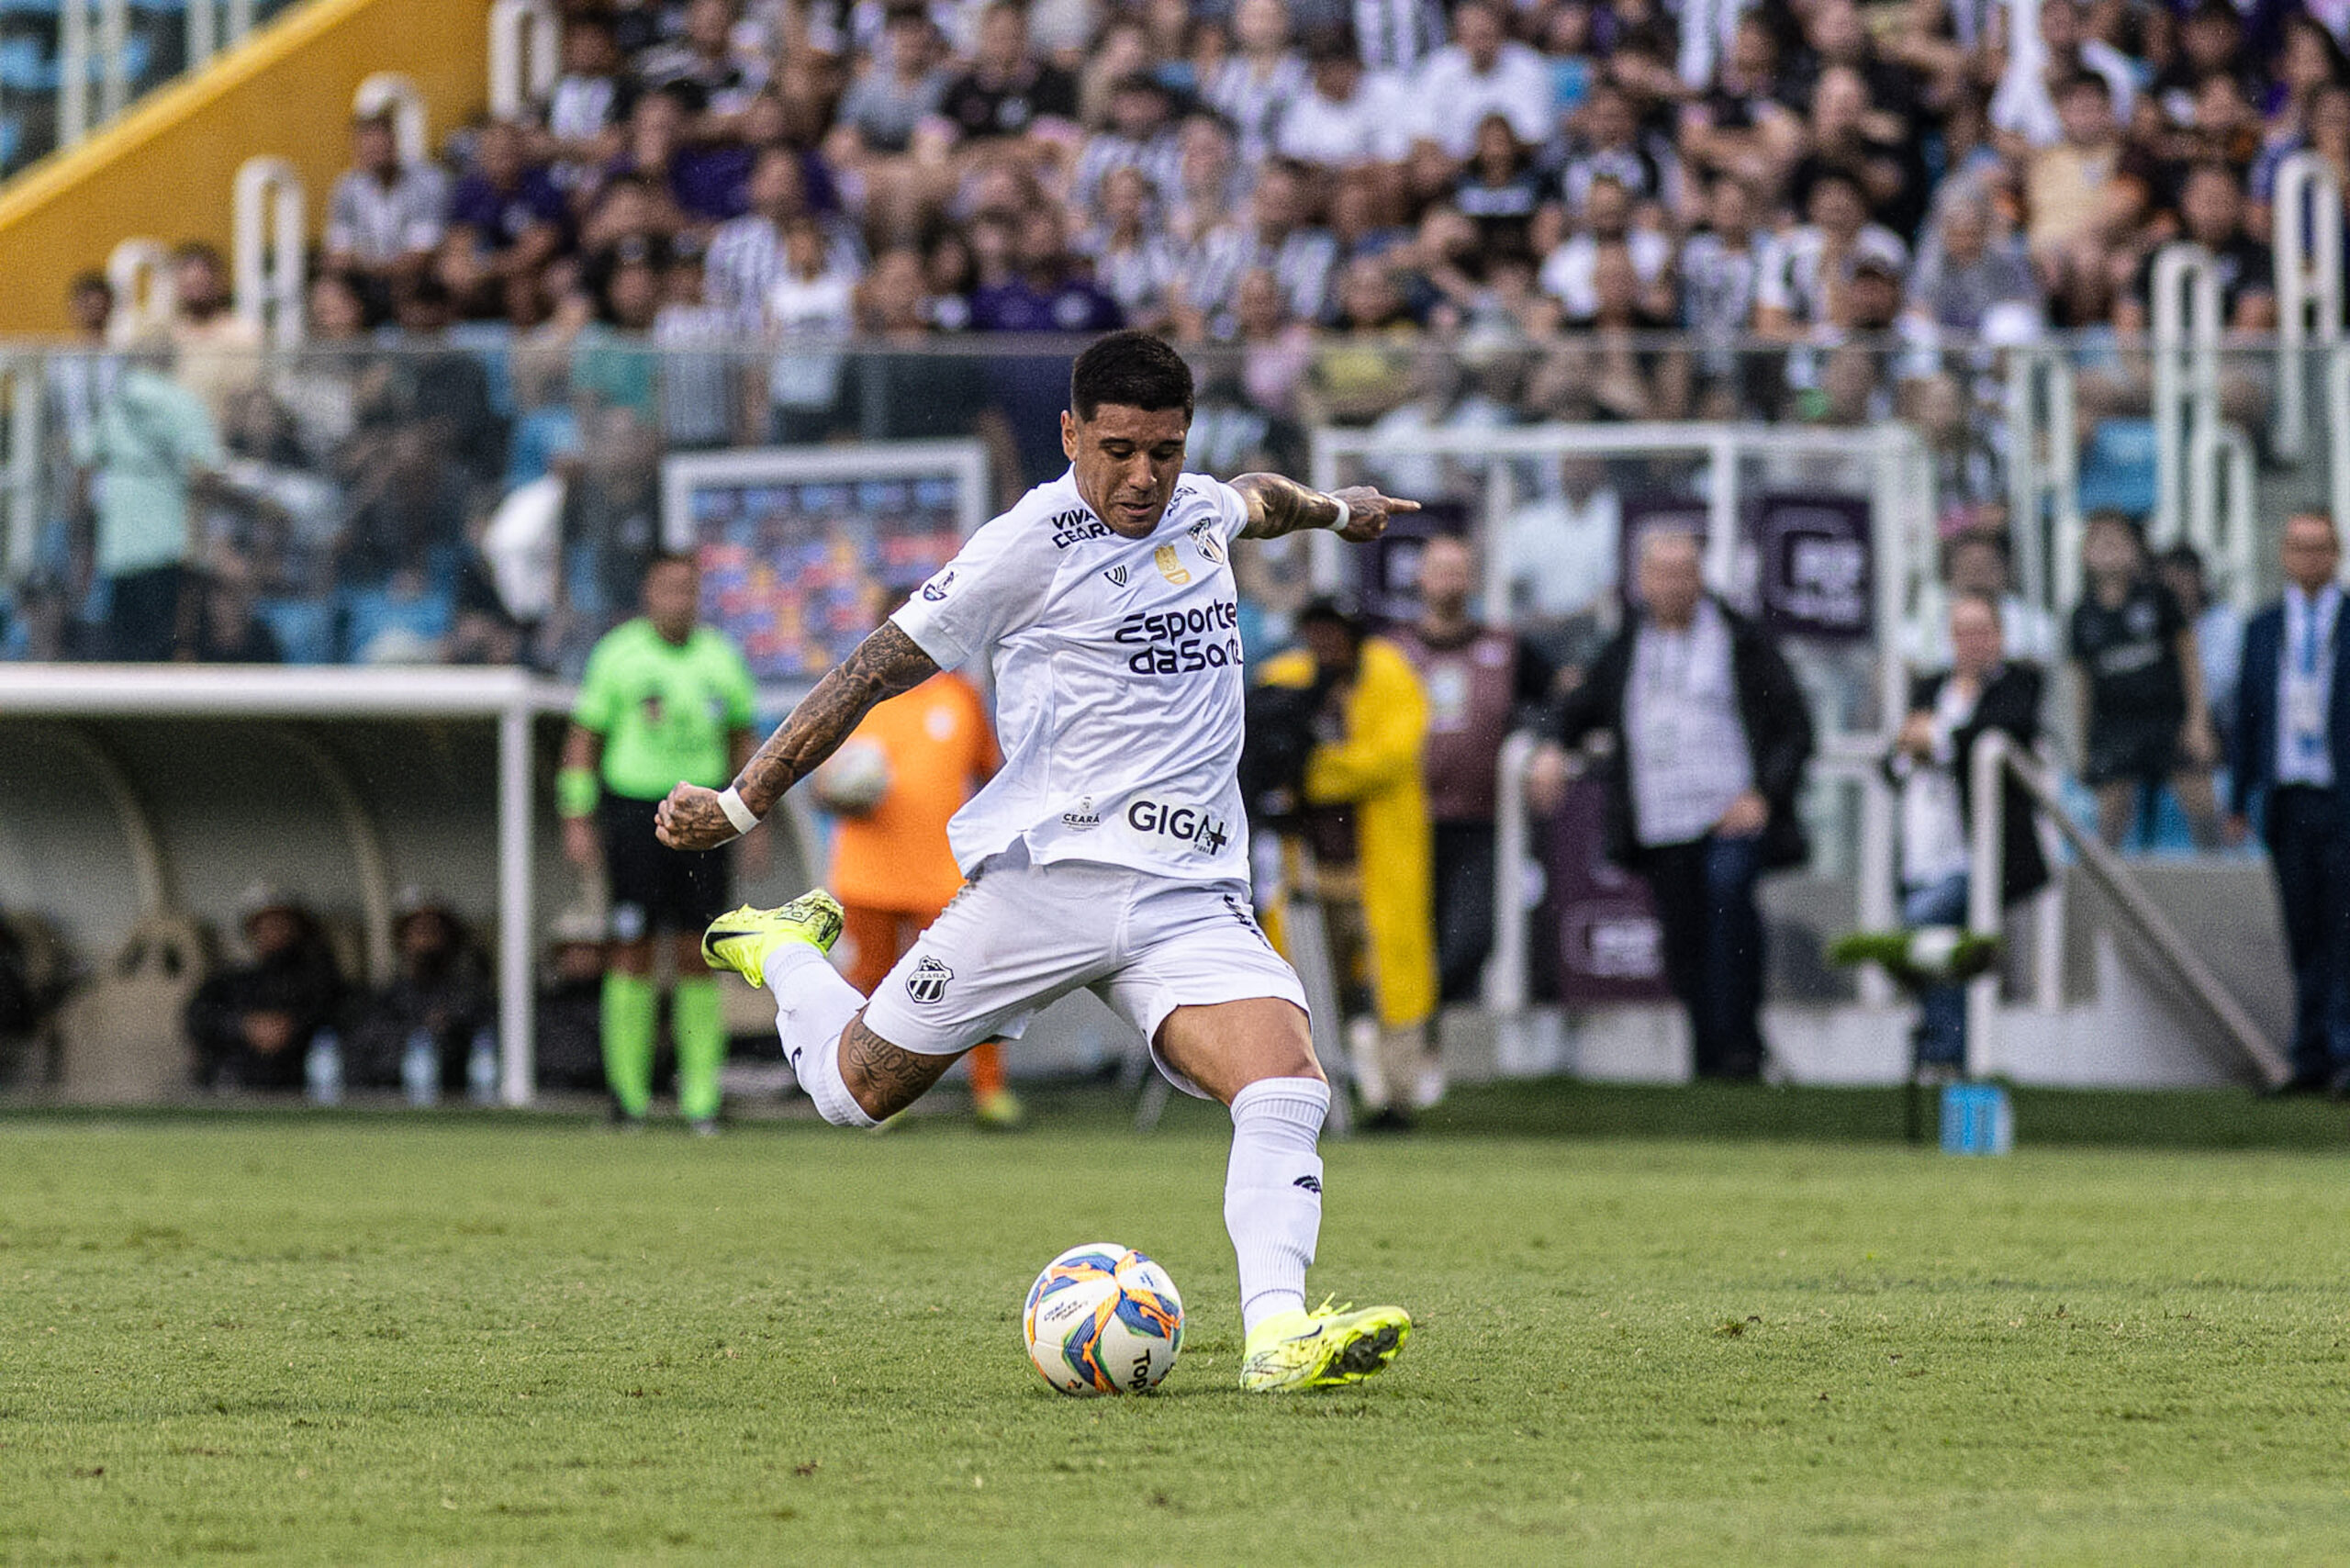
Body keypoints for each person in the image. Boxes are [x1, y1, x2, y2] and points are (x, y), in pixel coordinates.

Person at [657, 330, 1418, 1393]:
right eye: (1118, 449)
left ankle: (1277, 1336)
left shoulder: (1196, 507)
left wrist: (1343, 511)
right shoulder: (1025, 543)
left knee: (1286, 1083)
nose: (1143, 474)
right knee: (850, 1092)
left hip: (1188, 897)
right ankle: (784, 951)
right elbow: (872, 666)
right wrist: (742, 802)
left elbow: (1259, 495)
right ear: (1069, 434)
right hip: (1048, 882)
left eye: (1164, 447)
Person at [1535, 531, 1815, 1081]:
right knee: (1684, 933)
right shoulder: (1629, 643)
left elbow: (1795, 726)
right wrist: (1549, 746)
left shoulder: (1740, 638)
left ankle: (1739, 1051)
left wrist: (1764, 794)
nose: (1675, 583)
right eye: (1663, 572)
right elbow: (1581, 705)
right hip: (1661, 820)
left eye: (1686, 570)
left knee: (1729, 905)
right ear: (1642, 579)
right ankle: (1707, 1053)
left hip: (1729, 812)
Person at [561, 553, 761, 1133]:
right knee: (631, 949)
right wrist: (577, 817)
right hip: (633, 817)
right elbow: (584, 741)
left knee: (700, 953)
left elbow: (741, 743)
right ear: (649, 594)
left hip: (704, 821)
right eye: (668, 588)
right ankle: (629, 1099)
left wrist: (753, 821)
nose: (679, 598)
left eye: (688, 588)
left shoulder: (721, 659)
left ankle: (700, 1100)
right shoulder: (618, 654)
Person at [1258, 596, 1438, 1128]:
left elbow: (1388, 758)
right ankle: (1312, 1095)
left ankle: (1395, 1098)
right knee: (1312, 984)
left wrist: (1312, 774)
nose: (1326, 643)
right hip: (1308, 865)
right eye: (1316, 631)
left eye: (1335, 632)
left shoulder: (1389, 675)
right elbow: (1261, 749)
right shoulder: (1286, 677)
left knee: (1392, 982)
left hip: (1377, 860)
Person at [822, 657, 1018, 1126]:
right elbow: (821, 788)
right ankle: (868, 1095)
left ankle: (989, 1094)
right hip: (868, 874)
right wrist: (841, 792)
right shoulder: (860, 699)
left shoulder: (961, 696)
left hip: (943, 874)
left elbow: (994, 773)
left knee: (967, 984)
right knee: (867, 988)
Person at [1384, 533, 1559, 1011]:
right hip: (1403, 818)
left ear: (1474, 580)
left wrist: (1545, 746)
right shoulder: (1389, 651)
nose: (1450, 581)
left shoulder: (1506, 647)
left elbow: (1553, 700)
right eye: (1441, 570)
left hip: (1482, 819)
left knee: (1475, 931)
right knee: (1409, 932)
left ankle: (1425, 1014)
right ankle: (1417, 1033)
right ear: (1419, 578)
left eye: (1460, 571)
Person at [1883, 594, 2050, 1074]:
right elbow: (1892, 760)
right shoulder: (1930, 686)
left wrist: (1932, 739)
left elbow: (1996, 733)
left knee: (1924, 924)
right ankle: (1949, 1054)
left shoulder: (2019, 683)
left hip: (1978, 855)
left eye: (1982, 630)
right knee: (1943, 952)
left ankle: (1941, 1049)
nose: (1972, 642)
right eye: (1962, 631)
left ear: (1999, 636)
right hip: (1923, 851)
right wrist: (1908, 746)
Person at [2228, 513, 2350, 1095]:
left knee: (2343, 927)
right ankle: (2309, 1055)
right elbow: (2248, 715)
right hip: (2288, 797)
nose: (2308, 558)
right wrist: (2239, 796)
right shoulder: (2263, 628)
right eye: (2298, 547)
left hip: (2341, 797)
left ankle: (2342, 1050)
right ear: (2283, 552)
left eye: (2319, 548)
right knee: (2301, 928)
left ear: (2337, 553)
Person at [2069, 510, 2223, 850]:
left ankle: (2217, 882)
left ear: (2135, 549)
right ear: (2085, 554)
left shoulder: (2159, 598)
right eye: (2099, 541)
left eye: (2117, 540)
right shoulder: (2082, 615)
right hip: (2114, 727)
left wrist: (2198, 721)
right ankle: (2104, 892)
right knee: (2110, 814)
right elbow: (2081, 686)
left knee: (2201, 799)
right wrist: (2081, 745)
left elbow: (2189, 659)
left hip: (2168, 719)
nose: (2109, 548)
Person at [72, 341, 223, 663]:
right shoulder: (183, 402)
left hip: (118, 543)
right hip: (167, 542)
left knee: (123, 646)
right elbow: (207, 469)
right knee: (163, 645)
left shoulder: (115, 401)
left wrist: (84, 531)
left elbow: (84, 461)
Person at [184, 884, 344, 1092]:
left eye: (282, 922)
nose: (274, 930)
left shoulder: (322, 983)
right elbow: (198, 1018)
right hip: (235, 1091)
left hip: (302, 1091)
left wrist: (293, 1028)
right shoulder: (231, 982)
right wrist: (244, 1027)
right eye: (264, 924)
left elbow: (338, 1019)